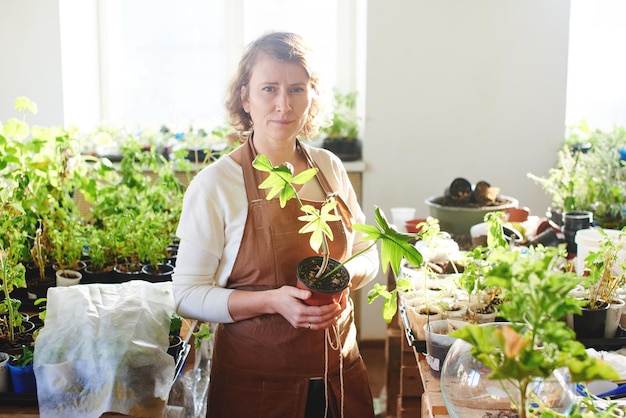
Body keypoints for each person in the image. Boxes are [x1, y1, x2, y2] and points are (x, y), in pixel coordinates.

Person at [172, 31, 379, 418]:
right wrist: (273, 300)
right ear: (245, 98)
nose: (284, 104)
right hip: (258, 387)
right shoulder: (216, 185)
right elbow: (186, 294)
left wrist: (344, 274)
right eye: (269, 88)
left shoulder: (329, 168)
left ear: (311, 96)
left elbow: (367, 249)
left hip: (340, 374)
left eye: (297, 89)